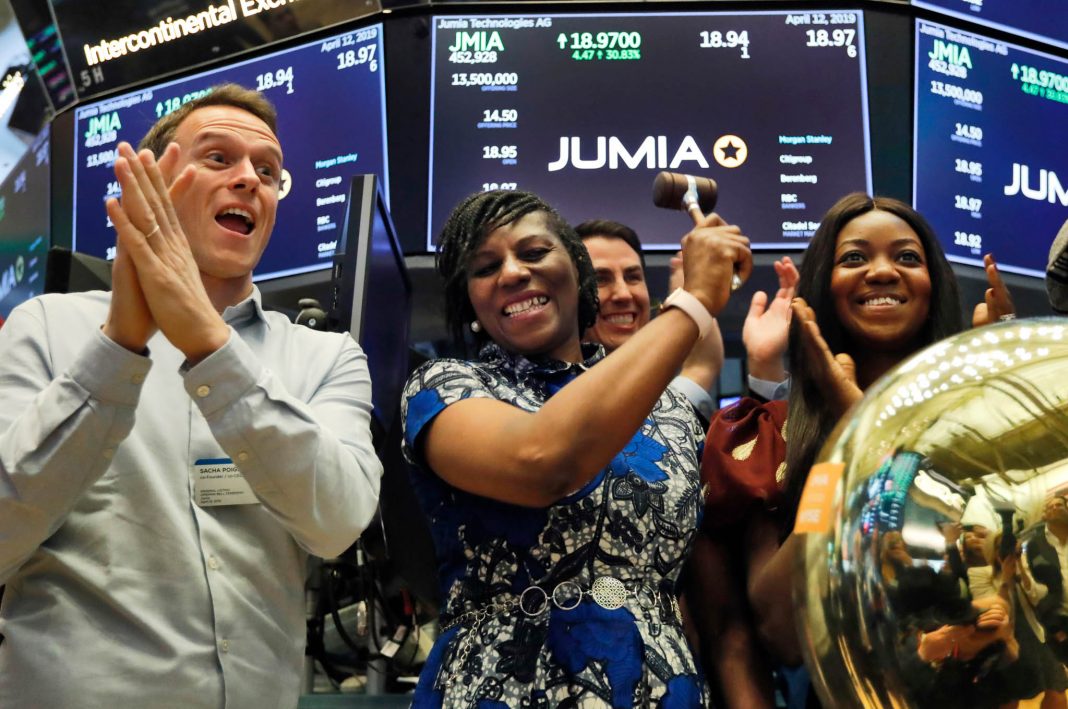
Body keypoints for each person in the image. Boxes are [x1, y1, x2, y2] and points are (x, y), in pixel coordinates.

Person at [0, 84, 383, 707]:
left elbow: (337, 523)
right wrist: (120, 347)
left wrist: (208, 344)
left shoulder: (326, 357)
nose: (249, 180)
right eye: (218, 158)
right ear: (153, 181)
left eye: (268, 171)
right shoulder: (45, 327)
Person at [400, 189, 750, 706]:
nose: (514, 272)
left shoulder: (672, 414)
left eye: (535, 253)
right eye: (485, 266)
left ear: (577, 273)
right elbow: (541, 462)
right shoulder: (445, 387)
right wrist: (692, 303)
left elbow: (720, 616)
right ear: (470, 303)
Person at [695, 193, 1006, 705]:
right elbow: (782, 632)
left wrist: (986, 392)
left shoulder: (982, 426)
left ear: (935, 287)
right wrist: (854, 444)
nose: (883, 272)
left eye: (907, 257)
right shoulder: (771, 435)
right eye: (855, 258)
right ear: (821, 287)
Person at [576, 218, 798, 425]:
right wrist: (692, 303)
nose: (624, 294)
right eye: (600, 279)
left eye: (633, 276)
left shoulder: (669, 409)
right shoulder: (547, 400)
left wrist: (765, 362)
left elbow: (703, 364)